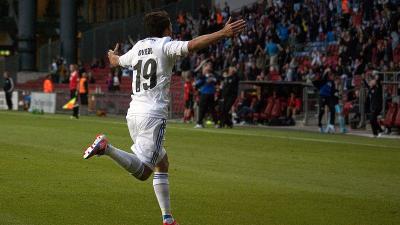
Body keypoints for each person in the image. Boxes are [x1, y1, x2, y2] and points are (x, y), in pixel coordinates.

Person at [83, 11, 246, 225]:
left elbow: (116, 61)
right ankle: (107, 148)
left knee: (162, 163)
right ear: (166, 29)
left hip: (133, 114)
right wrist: (223, 33)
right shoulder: (165, 45)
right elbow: (193, 45)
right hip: (153, 115)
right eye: (170, 26)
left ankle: (167, 218)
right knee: (143, 172)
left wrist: (111, 54)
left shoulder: (138, 47)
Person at [194, 62, 217, 128]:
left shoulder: (211, 76)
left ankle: (200, 123)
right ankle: (201, 123)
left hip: (206, 94)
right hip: (207, 93)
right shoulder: (205, 76)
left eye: (206, 67)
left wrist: (196, 84)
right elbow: (198, 83)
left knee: (206, 109)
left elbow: (214, 81)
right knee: (209, 109)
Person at [313, 68, 336, 133]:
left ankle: (331, 125)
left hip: (328, 97)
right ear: (330, 76)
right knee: (321, 111)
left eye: (334, 76)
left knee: (333, 109)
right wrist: (327, 70)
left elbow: (333, 91)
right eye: (332, 76)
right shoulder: (325, 79)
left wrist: (336, 93)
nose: (333, 77)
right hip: (322, 96)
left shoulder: (332, 83)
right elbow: (325, 75)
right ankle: (319, 125)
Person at [364, 72, 383, 137]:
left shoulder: (378, 88)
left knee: (372, 119)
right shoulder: (371, 89)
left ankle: (379, 131)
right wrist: (364, 79)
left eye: (372, 81)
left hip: (377, 106)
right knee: (372, 120)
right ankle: (375, 134)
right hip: (372, 106)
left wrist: (376, 78)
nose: (370, 82)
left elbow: (379, 81)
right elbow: (367, 85)